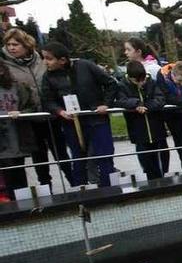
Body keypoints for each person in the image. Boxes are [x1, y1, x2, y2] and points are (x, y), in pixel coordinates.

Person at [1, 27, 71, 187]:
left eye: (15, 44)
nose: (11, 48)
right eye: (8, 44)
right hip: (28, 117)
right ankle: (46, 188)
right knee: (39, 157)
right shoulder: (6, 65)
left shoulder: (41, 60)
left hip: (50, 114)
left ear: (25, 45)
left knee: (61, 153)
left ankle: (75, 183)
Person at [40, 42, 117, 187]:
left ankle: (109, 188)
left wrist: (105, 104)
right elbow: (47, 100)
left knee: (104, 155)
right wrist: (59, 111)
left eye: (49, 59)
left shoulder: (86, 66)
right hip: (71, 122)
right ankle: (81, 193)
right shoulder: (48, 77)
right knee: (78, 158)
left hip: (96, 118)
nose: (45, 62)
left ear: (62, 60)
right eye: (44, 58)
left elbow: (110, 84)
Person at [113, 61, 169, 180]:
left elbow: (160, 99)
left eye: (142, 80)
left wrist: (148, 106)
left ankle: (163, 177)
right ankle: (151, 179)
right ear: (130, 78)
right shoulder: (122, 85)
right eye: (137, 81)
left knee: (161, 156)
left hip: (156, 128)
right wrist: (135, 104)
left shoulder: (151, 83)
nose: (140, 83)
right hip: (138, 130)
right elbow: (121, 100)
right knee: (145, 158)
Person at [0, 60, 36, 200]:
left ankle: (23, 201)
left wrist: (20, 112)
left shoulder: (18, 87)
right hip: (3, 139)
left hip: (17, 134)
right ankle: (12, 202)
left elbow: (31, 106)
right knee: (8, 170)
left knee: (19, 168)